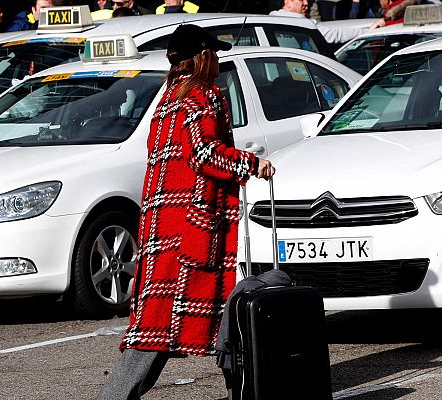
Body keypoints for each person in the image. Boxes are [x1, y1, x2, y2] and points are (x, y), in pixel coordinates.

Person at [96, 23, 275, 400]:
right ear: (203, 56)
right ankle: (248, 392)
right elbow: (204, 154)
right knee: (222, 322)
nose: (220, 60)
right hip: (194, 228)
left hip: (163, 227)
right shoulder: (202, 97)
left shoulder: (167, 100)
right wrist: (250, 163)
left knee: (157, 325)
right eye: (216, 54)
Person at [270, 0, 381, 44]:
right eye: (300, 0)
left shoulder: (273, 19)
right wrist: (366, 31)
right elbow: (334, 35)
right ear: (287, 1)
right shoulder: (298, 23)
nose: (306, 3)